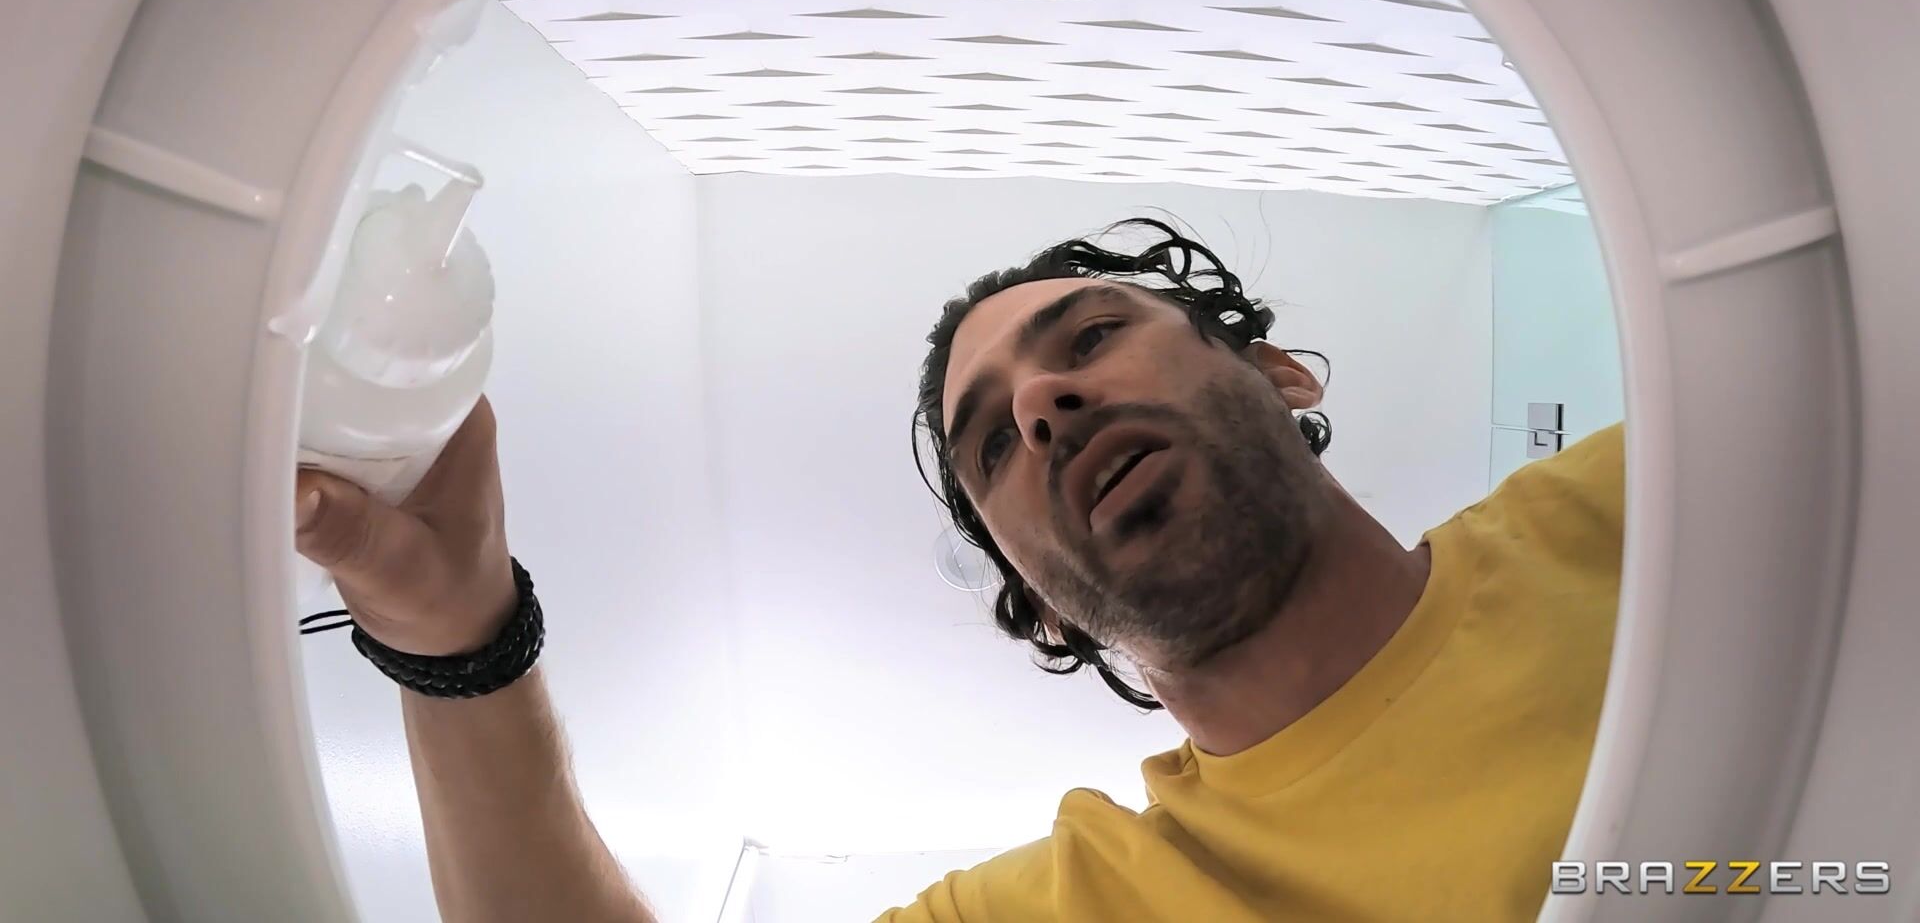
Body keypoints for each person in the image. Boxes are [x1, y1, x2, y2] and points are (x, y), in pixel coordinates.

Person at [295, 218, 1624, 922]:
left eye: (1090, 337)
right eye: (991, 442)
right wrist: (457, 639)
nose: (1041, 404)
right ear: (1040, 602)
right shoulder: (1086, 905)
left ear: (1278, 374)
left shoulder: (1630, 504)